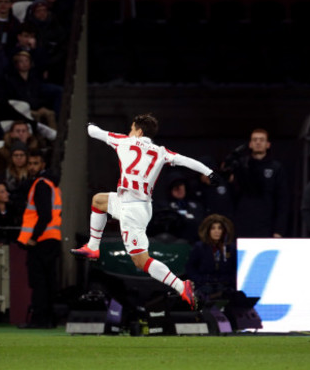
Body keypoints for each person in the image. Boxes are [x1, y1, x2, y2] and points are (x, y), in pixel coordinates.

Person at [70, 114, 222, 310]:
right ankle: (93, 246)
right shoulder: (160, 151)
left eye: (132, 129)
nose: (129, 132)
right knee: (99, 201)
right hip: (136, 204)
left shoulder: (124, 141)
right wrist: (209, 172)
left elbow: (94, 132)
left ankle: (180, 286)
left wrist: (87, 123)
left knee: (141, 261)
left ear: (138, 131)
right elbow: (186, 160)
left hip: (132, 210)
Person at [17, 150, 61, 329]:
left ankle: (40, 320)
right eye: (30, 163)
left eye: (35, 163)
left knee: (39, 282)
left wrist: (33, 238)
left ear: (43, 165)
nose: (32, 167)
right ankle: (50, 319)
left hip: (42, 240)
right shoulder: (51, 184)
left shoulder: (40, 184)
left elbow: (44, 216)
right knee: (49, 281)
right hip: (52, 238)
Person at [223, 128, 288, 238]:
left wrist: (279, 230)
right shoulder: (241, 165)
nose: (258, 142)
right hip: (243, 223)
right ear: (250, 144)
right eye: (255, 140)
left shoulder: (276, 168)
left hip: (267, 224)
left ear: (268, 144)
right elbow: (232, 197)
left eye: (261, 140)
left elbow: (282, 201)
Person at [185, 214, 237, 302]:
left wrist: (228, 280)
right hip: (204, 284)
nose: (217, 231)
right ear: (208, 230)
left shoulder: (230, 248)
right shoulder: (199, 247)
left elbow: (235, 269)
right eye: (213, 228)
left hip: (224, 285)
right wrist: (200, 280)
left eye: (220, 228)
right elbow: (190, 268)